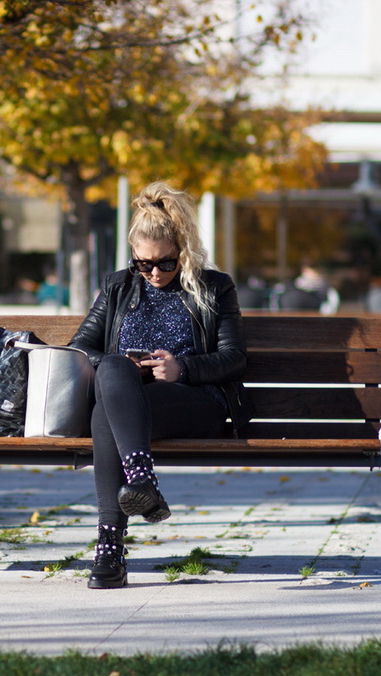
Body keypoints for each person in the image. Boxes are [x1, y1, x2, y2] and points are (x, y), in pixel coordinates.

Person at [68, 181, 251, 589]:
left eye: (165, 264)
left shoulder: (214, 287)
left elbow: (234, 359)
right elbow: (80, 348)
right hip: (129, 406)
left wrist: (182, 369)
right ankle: (140, 486)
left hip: (196, 402)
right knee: (112, 373)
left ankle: (110, 547)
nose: (152, 273)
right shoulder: (119, 286)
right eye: (142, 264)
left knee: (106, 413)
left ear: (183, 253)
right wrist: (130, 368)